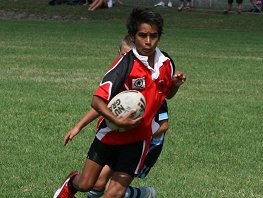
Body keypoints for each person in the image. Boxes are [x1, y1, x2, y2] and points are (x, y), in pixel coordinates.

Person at [53, 7, 186, 198]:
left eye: (154, 36)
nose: (148, 41)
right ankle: (71, 183)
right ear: (133, 36)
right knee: (87, 184)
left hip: (138, 140)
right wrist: (118, 121)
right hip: (110, 134)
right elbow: (97, 101)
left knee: (113, 194)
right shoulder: (125, 65)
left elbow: (167, 96)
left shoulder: (166, 63)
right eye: (142, 35)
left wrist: (175, 85)